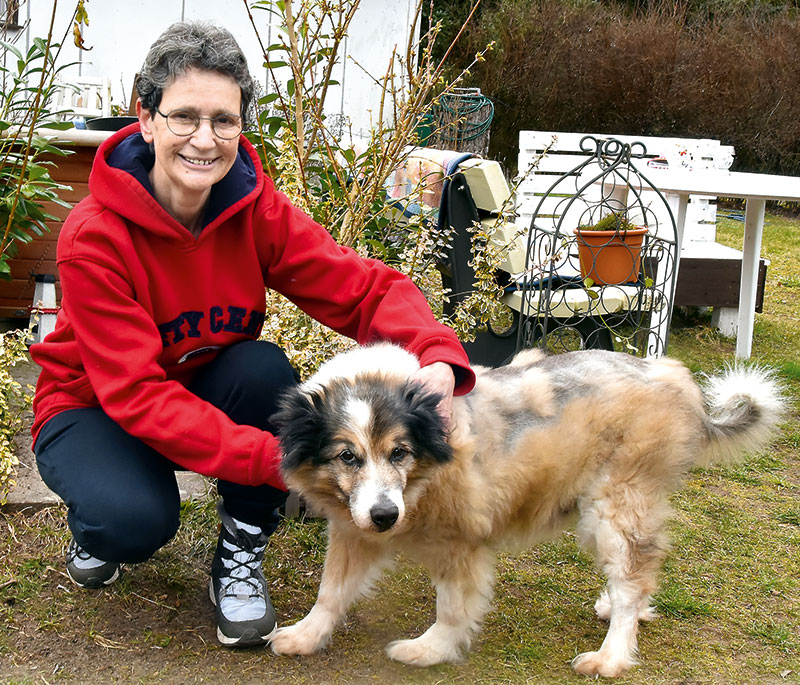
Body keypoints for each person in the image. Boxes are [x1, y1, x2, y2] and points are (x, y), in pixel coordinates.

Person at [30, 21, 474, 648]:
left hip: (206, 384)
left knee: (265, 372)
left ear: (242, 125)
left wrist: (438, 357)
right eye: (184, 117)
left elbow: (360, 287)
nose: (204, 140)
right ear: (146, 116)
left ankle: (239, 554)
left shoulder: (252, 206)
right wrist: (281, 462)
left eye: (224, 120)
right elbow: (136, 394)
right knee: (133, 521)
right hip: (94, 405)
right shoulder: (94, 237)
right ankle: (98, 526)